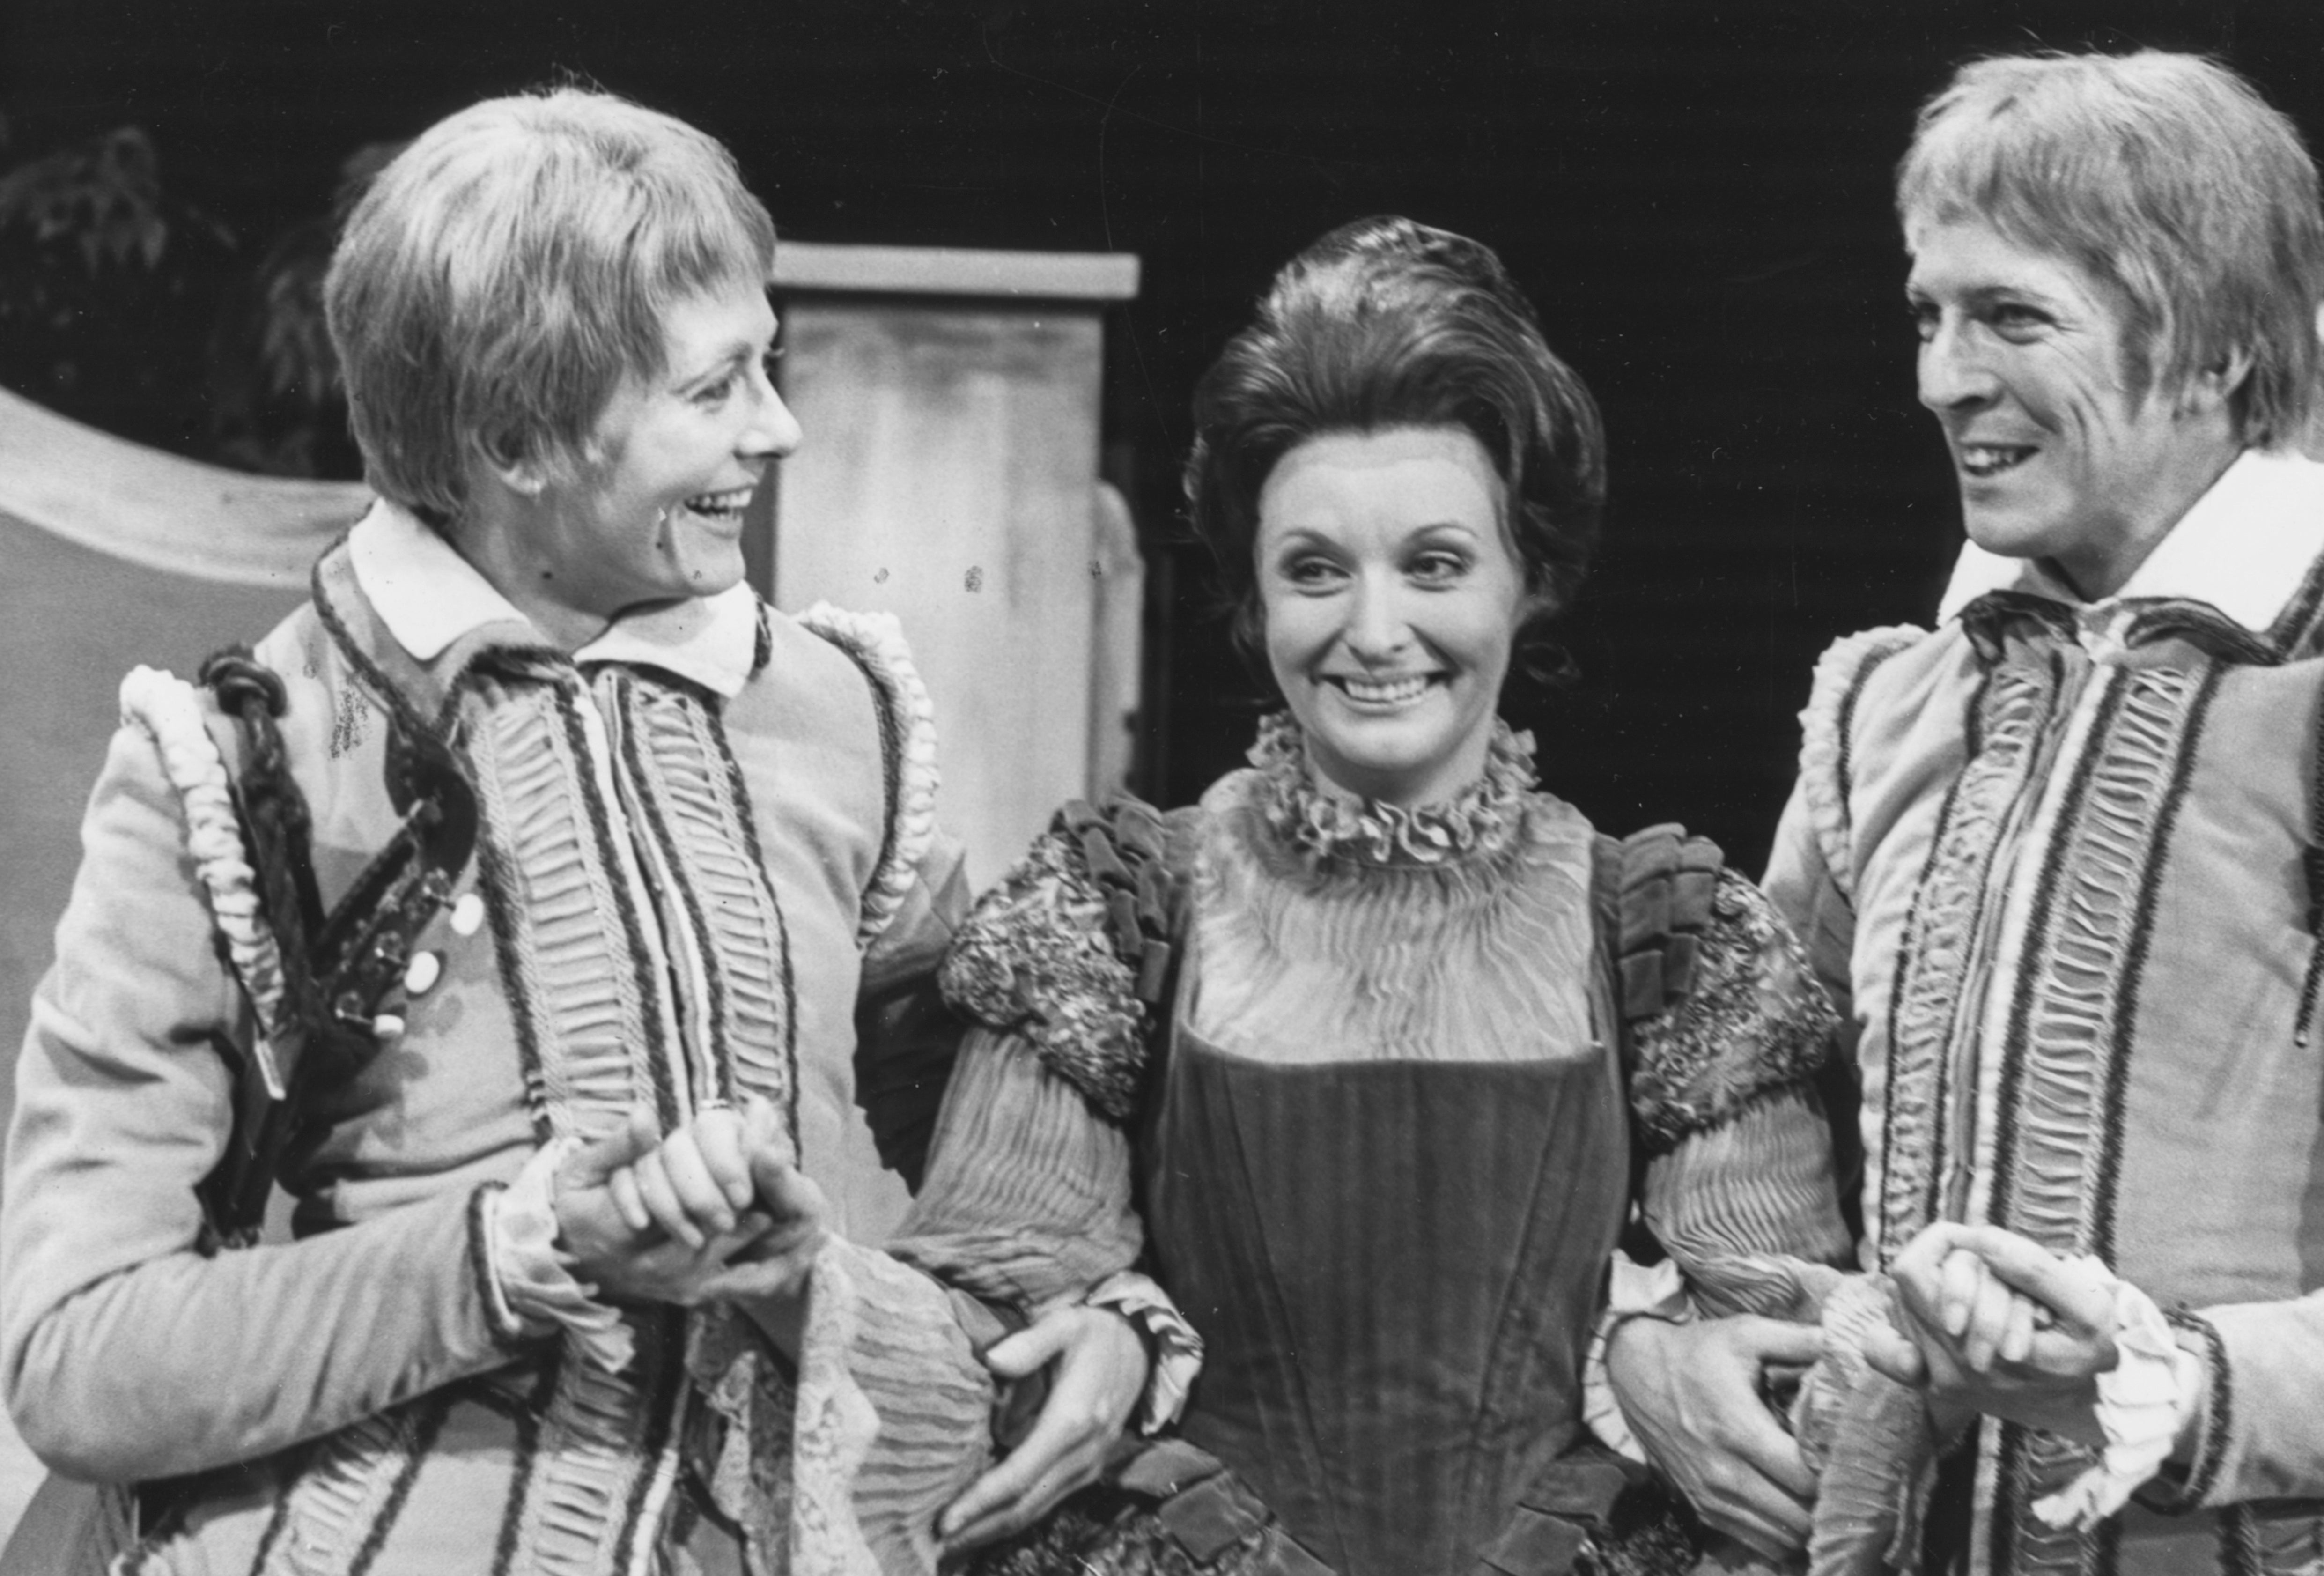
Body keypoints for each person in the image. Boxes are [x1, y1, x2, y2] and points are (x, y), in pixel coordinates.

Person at [0, 88, 1147, 1574]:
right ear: (518, 437)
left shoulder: (835, 709)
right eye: (715, 388)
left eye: (769, 366)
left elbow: (1010, 1165)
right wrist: (510, 1250)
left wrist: (1096, 1316)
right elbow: (80, 1360)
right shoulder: (241, 761)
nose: (778, 429)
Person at [1605, 49, 2324, 1575]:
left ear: (2216, 345)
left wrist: (2158, 1382)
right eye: (1928, 314)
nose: (1941, 377)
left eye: (2010, 316)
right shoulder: (1888, 712)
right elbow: (1751, 1177)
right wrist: (1666, 1346)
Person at [883, 215, 1852, 1576]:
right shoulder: (1111, 912)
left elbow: (1774, 1340)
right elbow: (989, 1293)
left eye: (1435, 565)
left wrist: (1652, 1352)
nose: (1374, 629)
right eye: (1315, 569)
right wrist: (1095, 1330)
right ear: (1253, 596)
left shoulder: (1672, 939)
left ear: (1533, 578)